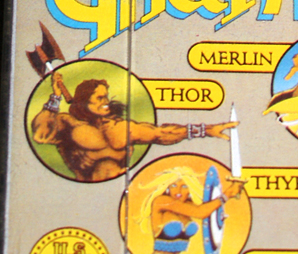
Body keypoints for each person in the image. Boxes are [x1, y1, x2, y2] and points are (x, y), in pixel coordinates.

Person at [31, 71, 236, 182]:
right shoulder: (68, 123)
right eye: (100, 98)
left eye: (106, 97)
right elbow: (40, 134)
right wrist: (55, 98)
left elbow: (161, 134)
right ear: (84, 100)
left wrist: (206, 130)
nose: (106, 102)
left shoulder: (119, 126)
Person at [136, 166, 246, 254]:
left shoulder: (189, 205)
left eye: (184, 186)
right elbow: (200, 212)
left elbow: (208, 210)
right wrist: (227, 194)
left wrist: (220, 214)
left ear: (190, 189)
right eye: (173, 186)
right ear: (167, 188)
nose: (178, 191)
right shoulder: (162, 201)